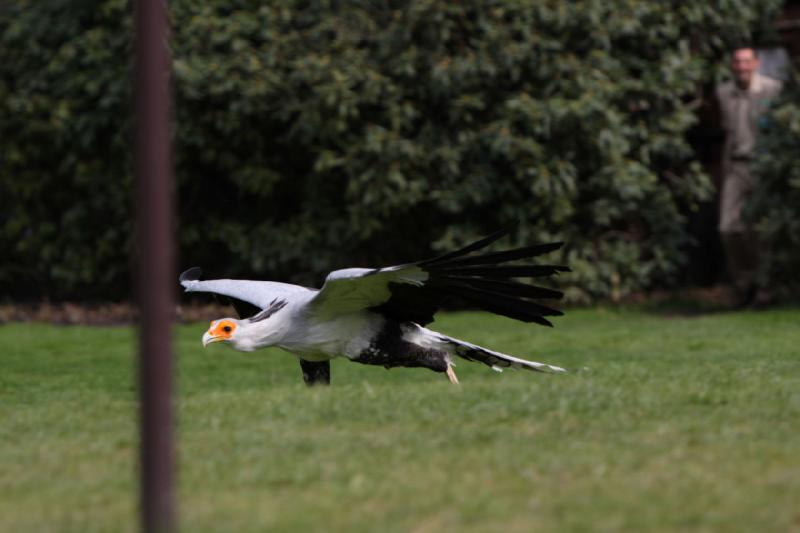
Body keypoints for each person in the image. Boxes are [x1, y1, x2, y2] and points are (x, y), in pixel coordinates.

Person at [715, 46, 782, 306]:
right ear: (732, 65)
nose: (742, 66)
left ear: (756, 63)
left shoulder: (772, 90)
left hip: (764, 167)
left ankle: (766, 289)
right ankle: (744, 284)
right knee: (728, 228)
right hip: (736, 166)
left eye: (746, 61)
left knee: (761, 230)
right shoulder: (724, 92)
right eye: (737, 62)